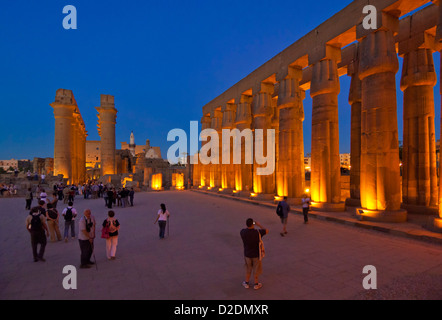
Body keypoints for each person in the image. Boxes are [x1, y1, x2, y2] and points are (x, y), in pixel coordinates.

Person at [240, 218, 268, 290]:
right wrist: (258, 224)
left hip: (247, 254)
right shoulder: (258, 232)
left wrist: (251, 224)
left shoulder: (242, 232)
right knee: (256, 269)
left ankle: (246, 283)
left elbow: (245, 228)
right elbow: (266, 230)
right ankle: (256, 284)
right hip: (256, 254)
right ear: (253, 224)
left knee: (248, 268)